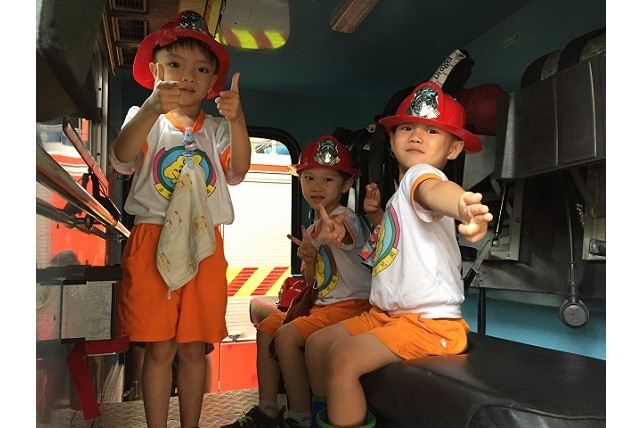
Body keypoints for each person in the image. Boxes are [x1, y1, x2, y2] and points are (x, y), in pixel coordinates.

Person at [305, 81, 494, 428]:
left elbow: (437, 191)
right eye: (407, 128)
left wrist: (463, 206)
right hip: (387, 316)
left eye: (431, 131)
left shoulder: (421, 177)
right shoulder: (399, 196)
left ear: (454, 149)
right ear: (392, 142)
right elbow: (393, 245)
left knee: (343, 357)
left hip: (429, 323)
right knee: (318, 344)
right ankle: (322, 418)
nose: (416, 136)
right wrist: (376, 218)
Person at [109, 10, 251, 428]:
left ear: (213, 83)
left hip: (204, 243)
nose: (188, 76)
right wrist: (150, 109)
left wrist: (238, 119)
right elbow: (121, 159)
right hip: (151, 238)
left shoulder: (218, 129)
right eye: (175, 64)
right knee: (159, 348)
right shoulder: (144, 118)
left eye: (201, 69)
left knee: (193, 348)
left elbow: (237, 171)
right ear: (156, 71)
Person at [222, 135, 372, 428]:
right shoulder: (314, 227)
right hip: (324, 306)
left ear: (345, 185)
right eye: (309, 178)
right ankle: (268, 410)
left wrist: (336, 233)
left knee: (287, 336)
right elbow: (314, 283)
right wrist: (311, 260)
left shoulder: (346, 218)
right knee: (267, 328)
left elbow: (346, 236)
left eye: (328, 179)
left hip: (353, 306)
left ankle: (300, 417)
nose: (317, 186)